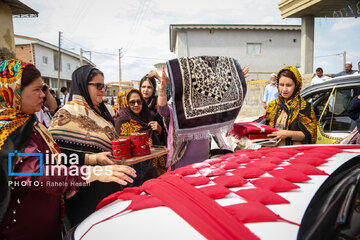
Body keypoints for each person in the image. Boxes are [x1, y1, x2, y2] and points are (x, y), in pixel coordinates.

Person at [0, 59, 136, 240]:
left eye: (43, 89)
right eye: (37, 89)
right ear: (15, 92)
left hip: (46, 216)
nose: (43, 95)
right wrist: (90, 173)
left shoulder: (29, 123)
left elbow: (54, 159)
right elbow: (36, 173)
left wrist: (92, 160)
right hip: (23, 223)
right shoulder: (6, 132)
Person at [48, 65, 133, 228]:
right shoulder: (65, 114)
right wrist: (93, 158)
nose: (103, 90)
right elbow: (56, 157)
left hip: (108, 187)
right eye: (98, 86)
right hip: (84, 193)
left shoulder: (101, 113)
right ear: (82, 86)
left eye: (104, 86)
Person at [157, 63, 249, 170]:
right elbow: (162, 110)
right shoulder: (175, 106)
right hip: (181, 162)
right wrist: (162, 91)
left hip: (203, 161)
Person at [115, 88, 165, 184]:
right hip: (133, 168)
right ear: (126, 103)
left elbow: (161, 139)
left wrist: (159, 130)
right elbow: (122, 146)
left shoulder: (149, 116)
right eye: (132, 102)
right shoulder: (122, 121)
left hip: (152, 165)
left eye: (139, 101)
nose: (137, 105)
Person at [266, 66, 317, 146]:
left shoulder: (303, 106)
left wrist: (287, 134)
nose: (284, 89)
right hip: (274, 152)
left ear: (296, 86)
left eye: (289, 85)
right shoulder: (272, 106)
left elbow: (311, 135)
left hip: (295, 153)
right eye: (281, 85)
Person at [139, 70, 167, 144]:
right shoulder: (135, 103)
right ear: (140, 88)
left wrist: (159, 129)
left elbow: (170, 91)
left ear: (154, 89)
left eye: (149, 87)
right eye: (143, 87)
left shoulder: (159, 103)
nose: (146, 90)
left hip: (157, 143)